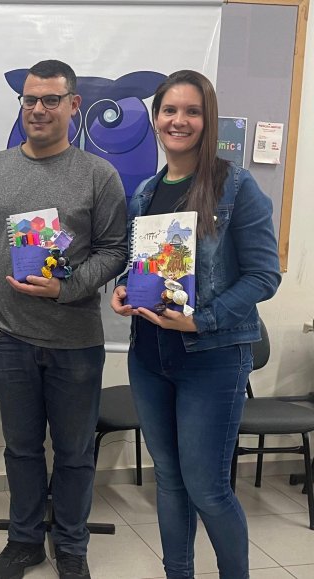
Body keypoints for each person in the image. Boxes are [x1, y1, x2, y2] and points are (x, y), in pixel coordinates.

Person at [0, 59, 128, 579]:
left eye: (51, 99)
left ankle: (71, 545)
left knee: (74, 453)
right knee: (22, 450)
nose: (39, 109)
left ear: (74, 105)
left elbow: (116, 251)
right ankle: (25, 540)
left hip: (76, 342)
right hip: (10, 339)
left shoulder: (98, 175)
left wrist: (65, 288)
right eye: (30, 99)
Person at [110, 70, 281, 579]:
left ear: (208, 120)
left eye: (192, 111)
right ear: (156, 118)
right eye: (169, 110)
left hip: (212, 359)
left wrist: (201, 320)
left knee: (207, 488)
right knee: (169, 480)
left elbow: (264, 276)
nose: (178, 121)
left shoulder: (237, 187)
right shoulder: (145, 192)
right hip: (149, 356)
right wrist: (123, 288)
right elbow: (141, 265)